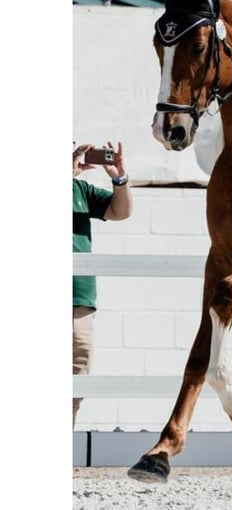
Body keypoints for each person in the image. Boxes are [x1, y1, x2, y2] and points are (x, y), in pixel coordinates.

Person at [72, 142, 133, 426]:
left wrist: (119, 177)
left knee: (76, 386)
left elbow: (120, 211)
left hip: (80, 305)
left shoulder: (80, 191)